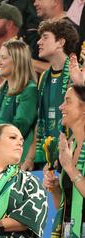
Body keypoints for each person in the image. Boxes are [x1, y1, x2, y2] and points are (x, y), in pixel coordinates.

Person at [43, 85, 85, 238]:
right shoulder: (70, 145)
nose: (61, 107)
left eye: (67, 101)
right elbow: (64, 207)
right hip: (70, 235)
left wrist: (70, 169)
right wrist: (55, 188)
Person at [24, 19, 79, 171]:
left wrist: (65, 154)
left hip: (72, 157)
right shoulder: (44, 77)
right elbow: (40, 119)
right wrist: (30, 158)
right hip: (47, 158)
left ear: (60, 42)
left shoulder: (78, 75)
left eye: (45, 37)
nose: (39, 42)